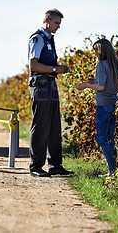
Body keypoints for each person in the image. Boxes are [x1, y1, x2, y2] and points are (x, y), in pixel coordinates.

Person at [28, 9, 72, 177]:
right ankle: (36, 166)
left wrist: (57, 70)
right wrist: (56, 69)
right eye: (56, 23)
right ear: (47, 20)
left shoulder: (49, 39)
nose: (58, 27)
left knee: (54, 125)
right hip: (40, 85)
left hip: (50, 84)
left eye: (59, 24)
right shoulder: (37, 38)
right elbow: (33, 65)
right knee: (40, 125)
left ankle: (55, 165)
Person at [76, 38, 118, 177]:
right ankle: (115, 171)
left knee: (102, 139)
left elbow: (101, 87)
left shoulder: (101, 64)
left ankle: (112, 171)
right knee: (110, 139)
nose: (95, 54)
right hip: (113, 103)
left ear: (101, 51)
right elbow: (106, 84)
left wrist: (85, 85)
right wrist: (94, 82)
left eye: (96, 51)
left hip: (103, 105)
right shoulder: (115, 63)